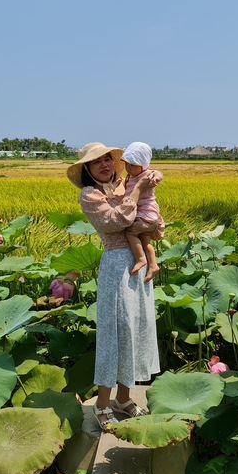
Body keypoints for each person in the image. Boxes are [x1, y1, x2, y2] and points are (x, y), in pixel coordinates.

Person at [66, 142, 163, 429]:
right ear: (87, 169)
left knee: (137, 328)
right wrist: (136, 192)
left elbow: (155, 226)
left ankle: (124, 398)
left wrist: (151, 217)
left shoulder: (125, 184)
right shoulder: (90, 195)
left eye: (108, 159)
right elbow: (115, 221)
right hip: (116, 267)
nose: (106, 164)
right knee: (115, 332)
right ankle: (103, 403)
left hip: (140, 263)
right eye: (98, 162)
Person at [120, 142, 161, 283]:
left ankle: (140, 259)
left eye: (133, 165)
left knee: (130, 232)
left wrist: (156, 177)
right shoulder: (130, 178)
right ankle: (153, 265)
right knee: (145, 241)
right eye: (127, 164)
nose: (128, 168)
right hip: (148, 217)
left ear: (143, 165)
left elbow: (158, 173)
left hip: (146, 214)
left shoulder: (147, 175)